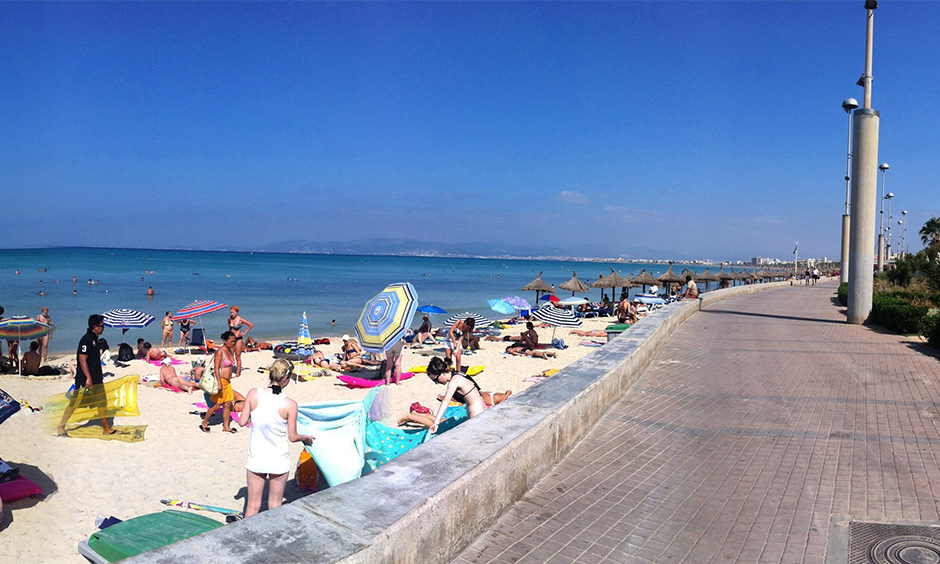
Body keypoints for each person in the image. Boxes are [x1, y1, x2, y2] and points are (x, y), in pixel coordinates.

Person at [237, 359, 314, 518]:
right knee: (275, 506)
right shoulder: (290, 404)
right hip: (278, 458)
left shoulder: (253, 393)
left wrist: (257, 416)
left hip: (257, 456)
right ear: (286, 379)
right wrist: (305, 437)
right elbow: (292, 437)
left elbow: (242, 421)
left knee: (252, 505)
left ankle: (246, 539)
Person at [56, 314, 115, 436]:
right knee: (74, 403)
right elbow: (82, 360)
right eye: (101, 326)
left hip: (96, 378)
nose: (103, 328)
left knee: (102, 402)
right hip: (85, 379)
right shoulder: (86, 340)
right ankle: (61, 427)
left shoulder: (95, 340)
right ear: (95, 327)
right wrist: (88, 378)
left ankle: (106, 428)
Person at [420, 357, 508, 435]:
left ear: (442, 373)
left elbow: (446, 400)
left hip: (476, 414)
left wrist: (436, 423)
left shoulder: (454, 381)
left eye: (436, 379)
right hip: (481, 410)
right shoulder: (458, 374)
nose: (436, 383)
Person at [201, 331, 242, 433]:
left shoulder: (230, 350)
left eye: (234, 341)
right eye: (231, 341)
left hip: (228, 382)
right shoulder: (220, 352)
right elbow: (216, 368)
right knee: (217, 405)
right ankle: (204, 422)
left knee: (228, 404)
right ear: (225, 341)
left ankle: (226, 426)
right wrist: (219, 383)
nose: (233, 343)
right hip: (221, 381)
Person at [228, 306, 253, 374]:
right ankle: (229, 370)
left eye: (233, 312)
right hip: (231, 339)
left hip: (238, 339)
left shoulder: (240, 320)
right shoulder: (229, 318)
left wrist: (244, 332)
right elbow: (229, 328)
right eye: (231, 312)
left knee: (237, 356)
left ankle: (238, 372)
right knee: (230, 355)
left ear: (236, 312)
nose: (231, 314)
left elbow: (250, 325)